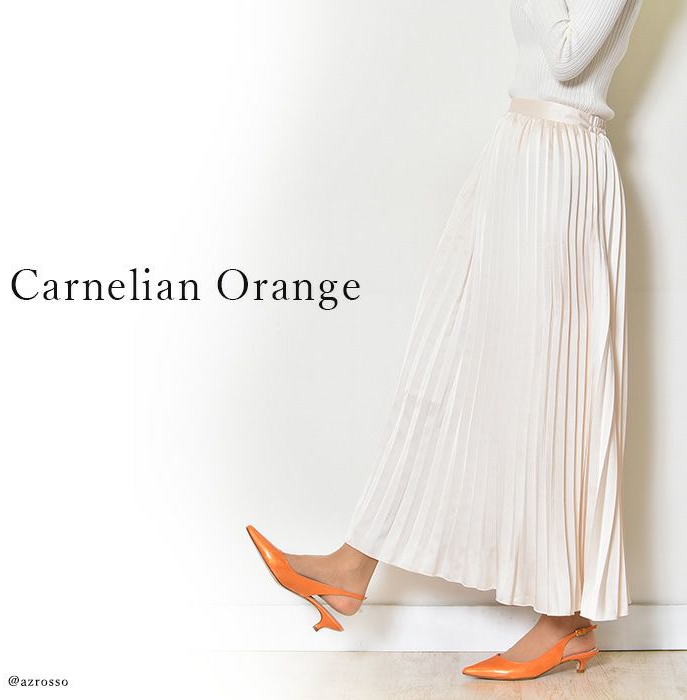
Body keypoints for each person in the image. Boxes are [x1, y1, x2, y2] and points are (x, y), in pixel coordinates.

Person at [247, 0, 643, 681]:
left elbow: (567, 57)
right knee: (448, 358)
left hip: (564, 177)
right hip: (516, 156)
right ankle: (353, 565)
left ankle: (566, 619)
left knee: (553, 394)